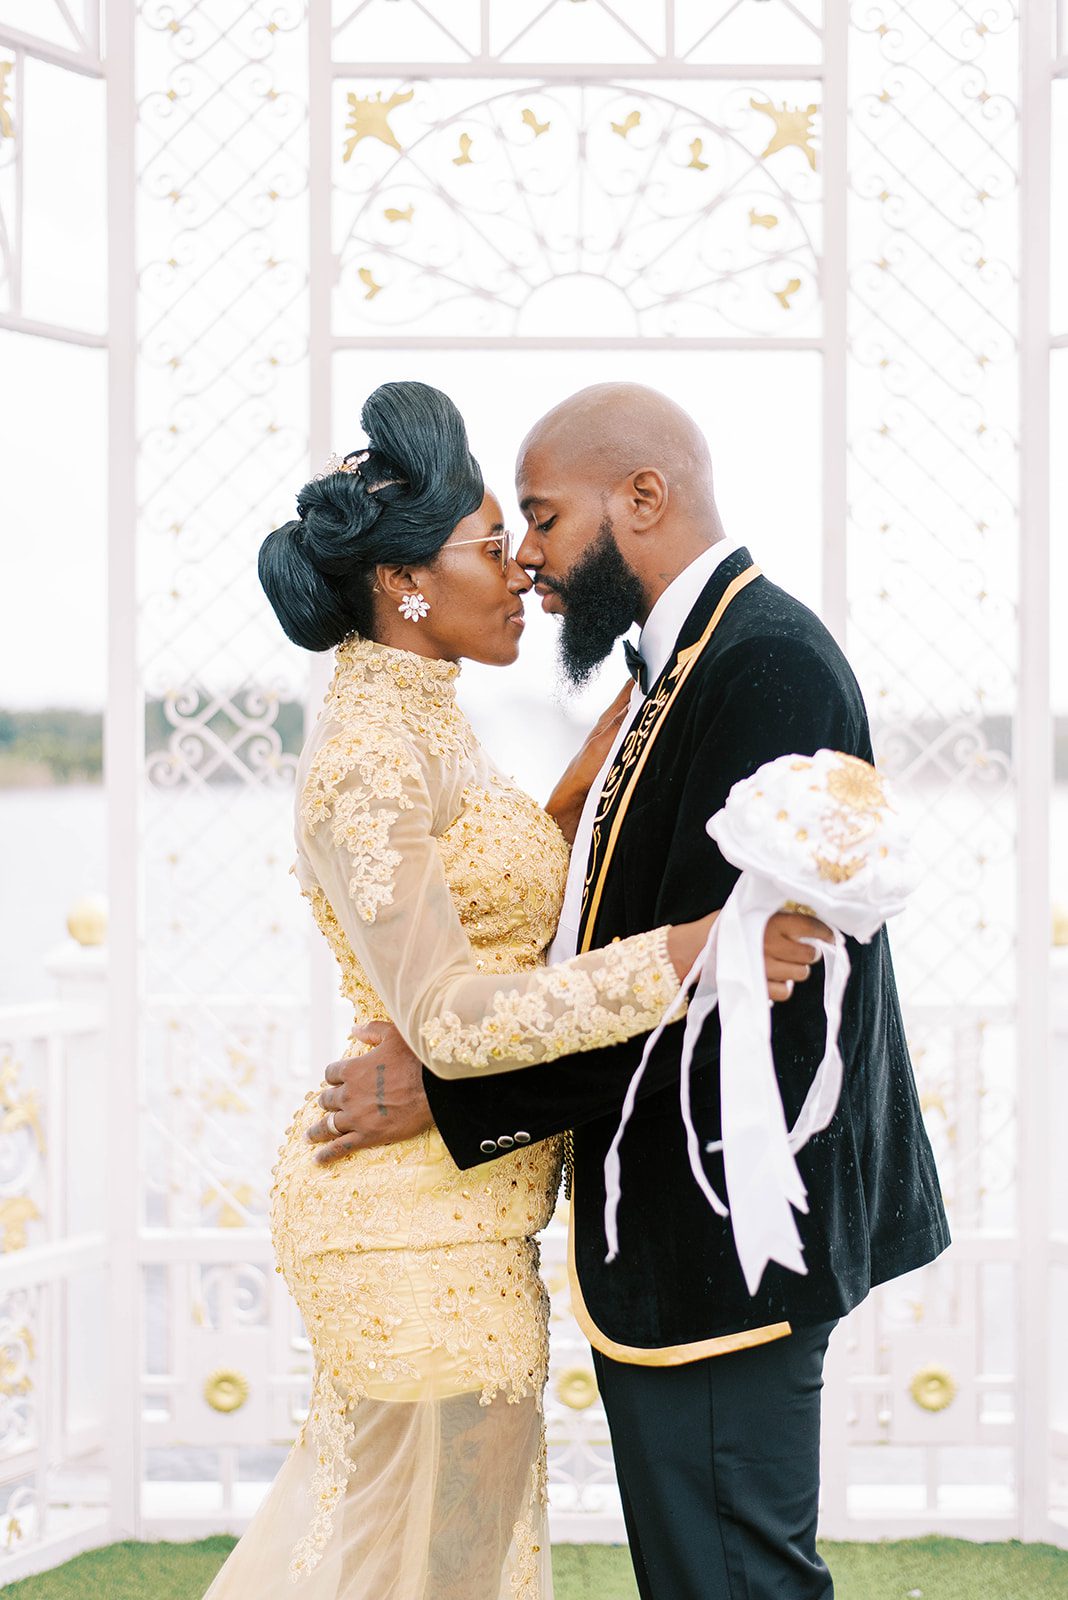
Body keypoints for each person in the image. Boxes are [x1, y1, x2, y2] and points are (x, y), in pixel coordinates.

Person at [311, 383, 951, 1600]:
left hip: (727, 1231)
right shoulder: (676, 666)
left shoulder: (764, 667)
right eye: (509, 535)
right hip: (661, 1227)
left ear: (643, 498)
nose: (532, 559)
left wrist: (453, 1105)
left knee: (731, 1578)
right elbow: (631, 932)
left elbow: (746, 1003)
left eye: (543, 519)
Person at [203, 381, 825, 1600]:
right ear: (406, 585)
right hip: (401, 1214)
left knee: (455, 1556)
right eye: (496, 543)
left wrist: (596, 768)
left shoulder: (427, 726)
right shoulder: (371, 754)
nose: (526, 571)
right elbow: (442, 1016)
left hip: (469, 1208)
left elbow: (487, 903)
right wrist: (688, 951)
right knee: (430, 1564)